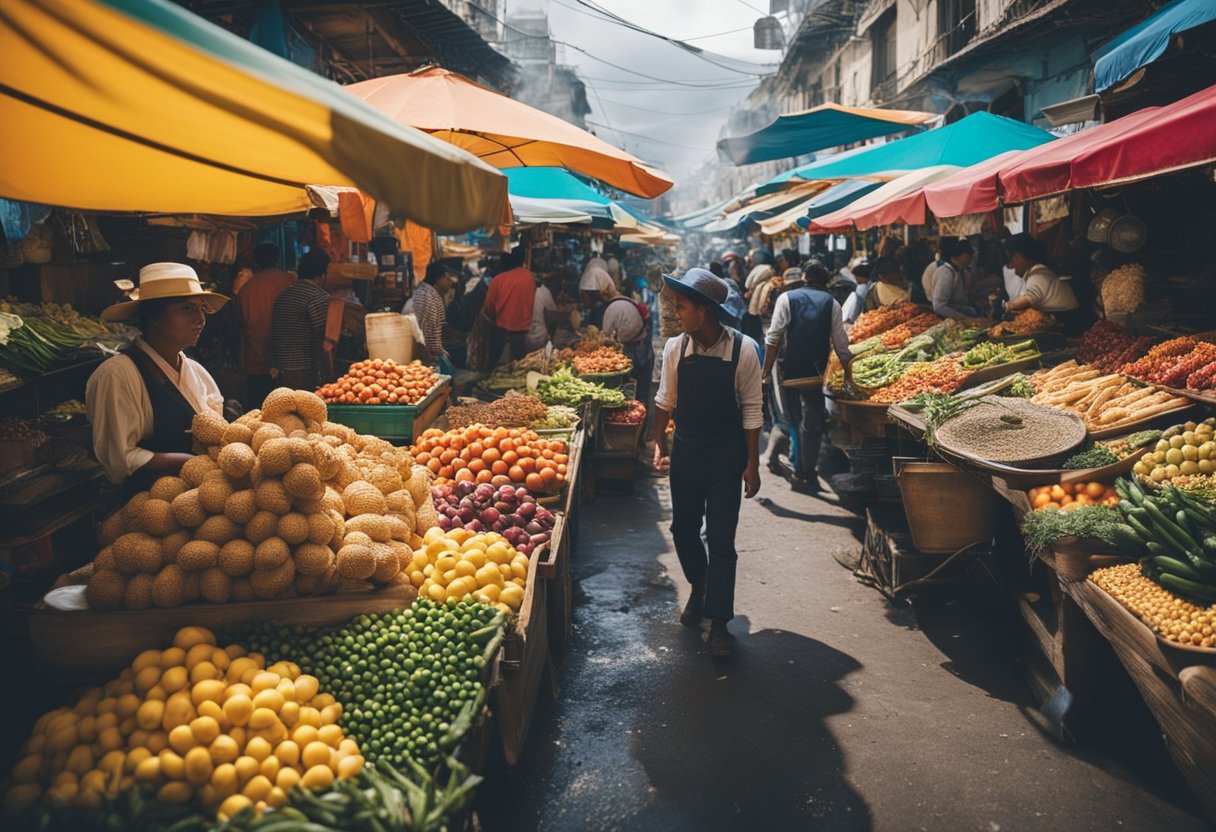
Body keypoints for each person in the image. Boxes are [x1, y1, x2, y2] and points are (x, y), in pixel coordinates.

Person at [652, 269, 762, 658]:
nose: (676, 313)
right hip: (686, 452)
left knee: (721, 539)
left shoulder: (743, 350)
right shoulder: (675, 349)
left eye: (682, 307)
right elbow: (665, 400)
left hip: (724, 456)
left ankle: (719, 622)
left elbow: (752, 410)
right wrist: (657, 444)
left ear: (704, 310)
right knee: (682, 528)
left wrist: (753, 464)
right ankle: (699, 585)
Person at [86, 263, 227, 493]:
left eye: (202, 308)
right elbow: (120, 459)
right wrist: (187, 461)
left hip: (200, 498)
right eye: (187, 309)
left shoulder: (196, 371)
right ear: (153, 315)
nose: (200, 319)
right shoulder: (118, 374)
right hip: (149, 506)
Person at [762, 260, 853, 493]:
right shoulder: (832, 303)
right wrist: (850, 375)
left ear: (804, 277)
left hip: (789, 369)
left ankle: (799, 467)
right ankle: (807, 471)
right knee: (811, 422)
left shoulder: (787, 299)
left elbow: (773, 338)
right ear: (825, 281)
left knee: (792, 418)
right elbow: (841, 345)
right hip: (816, 371)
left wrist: (765, 372)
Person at [236, 242, 295, 407]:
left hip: (255, 362)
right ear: (277, 259)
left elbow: (238, 324)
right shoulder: (289, 282)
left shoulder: (247, 289)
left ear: (255, 261)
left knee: (258, 412)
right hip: (288, 361)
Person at [270, 250, 332, 391]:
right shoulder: (317, 297)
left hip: (279, 367)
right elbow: (322, 333)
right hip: (303, 369)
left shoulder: (284, 294)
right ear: (322, 274)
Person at [1004, 233, 1081, 330]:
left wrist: (1007, 306)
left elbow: (1027, 299)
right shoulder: (1037, 272)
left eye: (1016, 257)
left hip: (1067, 324)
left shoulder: (1038, 275)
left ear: (1025, 258)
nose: (1013, 263)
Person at [600, 278, 655, 406]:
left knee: (627, 390)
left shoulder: (612, 308)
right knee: (642, 390)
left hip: (630, 352)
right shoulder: (630, 303)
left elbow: (606, 334)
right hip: (645, 351)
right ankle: (642, 417)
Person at [482, 249, 537, 365]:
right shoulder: (530, 278)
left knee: (498, 370)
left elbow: (488, 308)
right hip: (524, 333)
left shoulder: (497, 281)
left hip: (502, 333)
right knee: (519, 369)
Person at [408, 261, 459, 375]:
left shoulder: (430, 295)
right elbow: (429, 338)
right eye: (446, 276)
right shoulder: (428, 299)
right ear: (437, 280)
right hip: (419, 351)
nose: (449, 280)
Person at [931, 237, 979, 319]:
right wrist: (965, 319)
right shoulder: (946, 273)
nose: (970, 260)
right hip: (948, 318)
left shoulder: (962, 270)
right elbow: (939, 306)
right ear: (957, 256)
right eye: (967, 256)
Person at [525, 272, 560, 353]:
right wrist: (552, 335)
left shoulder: (517, 290)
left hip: (519, 338)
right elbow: (551, 316)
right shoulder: (543, 291)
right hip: (539, 338)